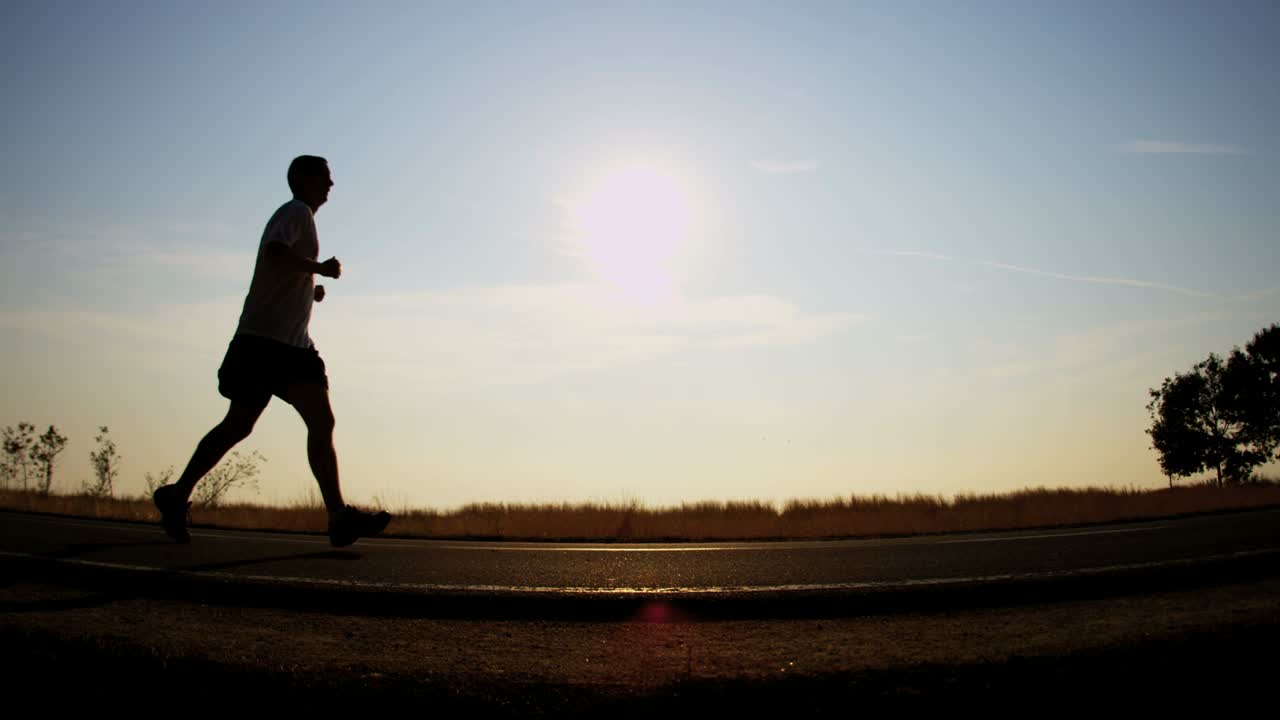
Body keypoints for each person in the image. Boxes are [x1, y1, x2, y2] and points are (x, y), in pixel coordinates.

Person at [154, 155, 391, 547]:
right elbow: (275, 253)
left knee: (310, 421)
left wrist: (307, 290)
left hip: (289, 345)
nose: (331, 185)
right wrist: (319, 267)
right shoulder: (295, 211)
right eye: (325, 178)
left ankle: (337, 516)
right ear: (304, 180)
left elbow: (281, 268)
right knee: (245, 425)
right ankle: (177, 496)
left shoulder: (302, 218)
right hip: (265, 344)